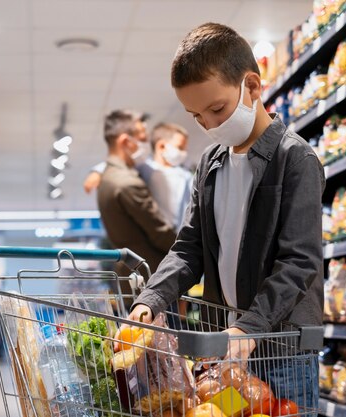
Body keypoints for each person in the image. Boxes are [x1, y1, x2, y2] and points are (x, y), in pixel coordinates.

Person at [121, 23, 325, 408]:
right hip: (224, 352)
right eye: (197, 116)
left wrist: (247, 327)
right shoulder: (210, 164)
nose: (210, 125)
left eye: (217, 108)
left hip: (281, 355)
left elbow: (300, 262)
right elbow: (189, 248)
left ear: (251, 85)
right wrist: (151, 299)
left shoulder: (294, 159)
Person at [96, 109, 177, 305]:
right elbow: (159, 232)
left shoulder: (107, 178)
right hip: (152, 282)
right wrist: (191, 251)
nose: (145, 144)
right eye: (141, 138)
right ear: (125, 141)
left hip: (131, 277)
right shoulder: (127, 183)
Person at [142, 123, 193, 231]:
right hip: (154, 236)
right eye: (180, 147)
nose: (184, 153)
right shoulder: (144, 171)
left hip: (179, 238)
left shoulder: (186, 176)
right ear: (161, 146)